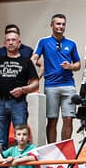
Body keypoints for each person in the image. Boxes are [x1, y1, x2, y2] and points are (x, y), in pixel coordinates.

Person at [34, 15, 81, 143]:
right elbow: (35, 57)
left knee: (68, 119)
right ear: (52, 25)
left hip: (68, 86)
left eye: (63, 24)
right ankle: (53, 150)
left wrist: (70, 66)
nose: (61, 27)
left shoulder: (71, 44)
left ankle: (65, 151)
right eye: (58, 24)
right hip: (51, 86)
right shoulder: (44, 42)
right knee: (52, 119)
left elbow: (78, 64)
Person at [0, 27, 40, 149]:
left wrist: (23, 89)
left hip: (18, 103)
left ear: (19, 43)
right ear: (4, 43)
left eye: (14, 40)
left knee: (22, 138)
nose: (11, 42)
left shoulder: (26, 61)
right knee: (0, 140)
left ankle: (21, 167)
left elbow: (35, 83)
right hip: (0, 102)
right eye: (8, 40)